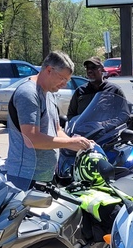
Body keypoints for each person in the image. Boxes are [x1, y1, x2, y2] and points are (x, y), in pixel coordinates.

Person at [7, 51, 92, 190]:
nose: (64, 84)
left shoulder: (50, 94)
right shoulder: (28, 94)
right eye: (62, 78)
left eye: (67, 80)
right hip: (25, 177)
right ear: (48, 70)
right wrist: (70, 142)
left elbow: (56, 130)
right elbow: (32, 139)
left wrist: (80, 144)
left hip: (45, 177)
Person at [66, 56, 125, 121]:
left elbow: (123, 115)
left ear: (102, 69)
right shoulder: (80, 91)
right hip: (83, 130)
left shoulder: (114, 91)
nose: (89, 71)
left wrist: (107, 125)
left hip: (106, 130)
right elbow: (71, 115)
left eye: (93, 67)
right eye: (87, 68)